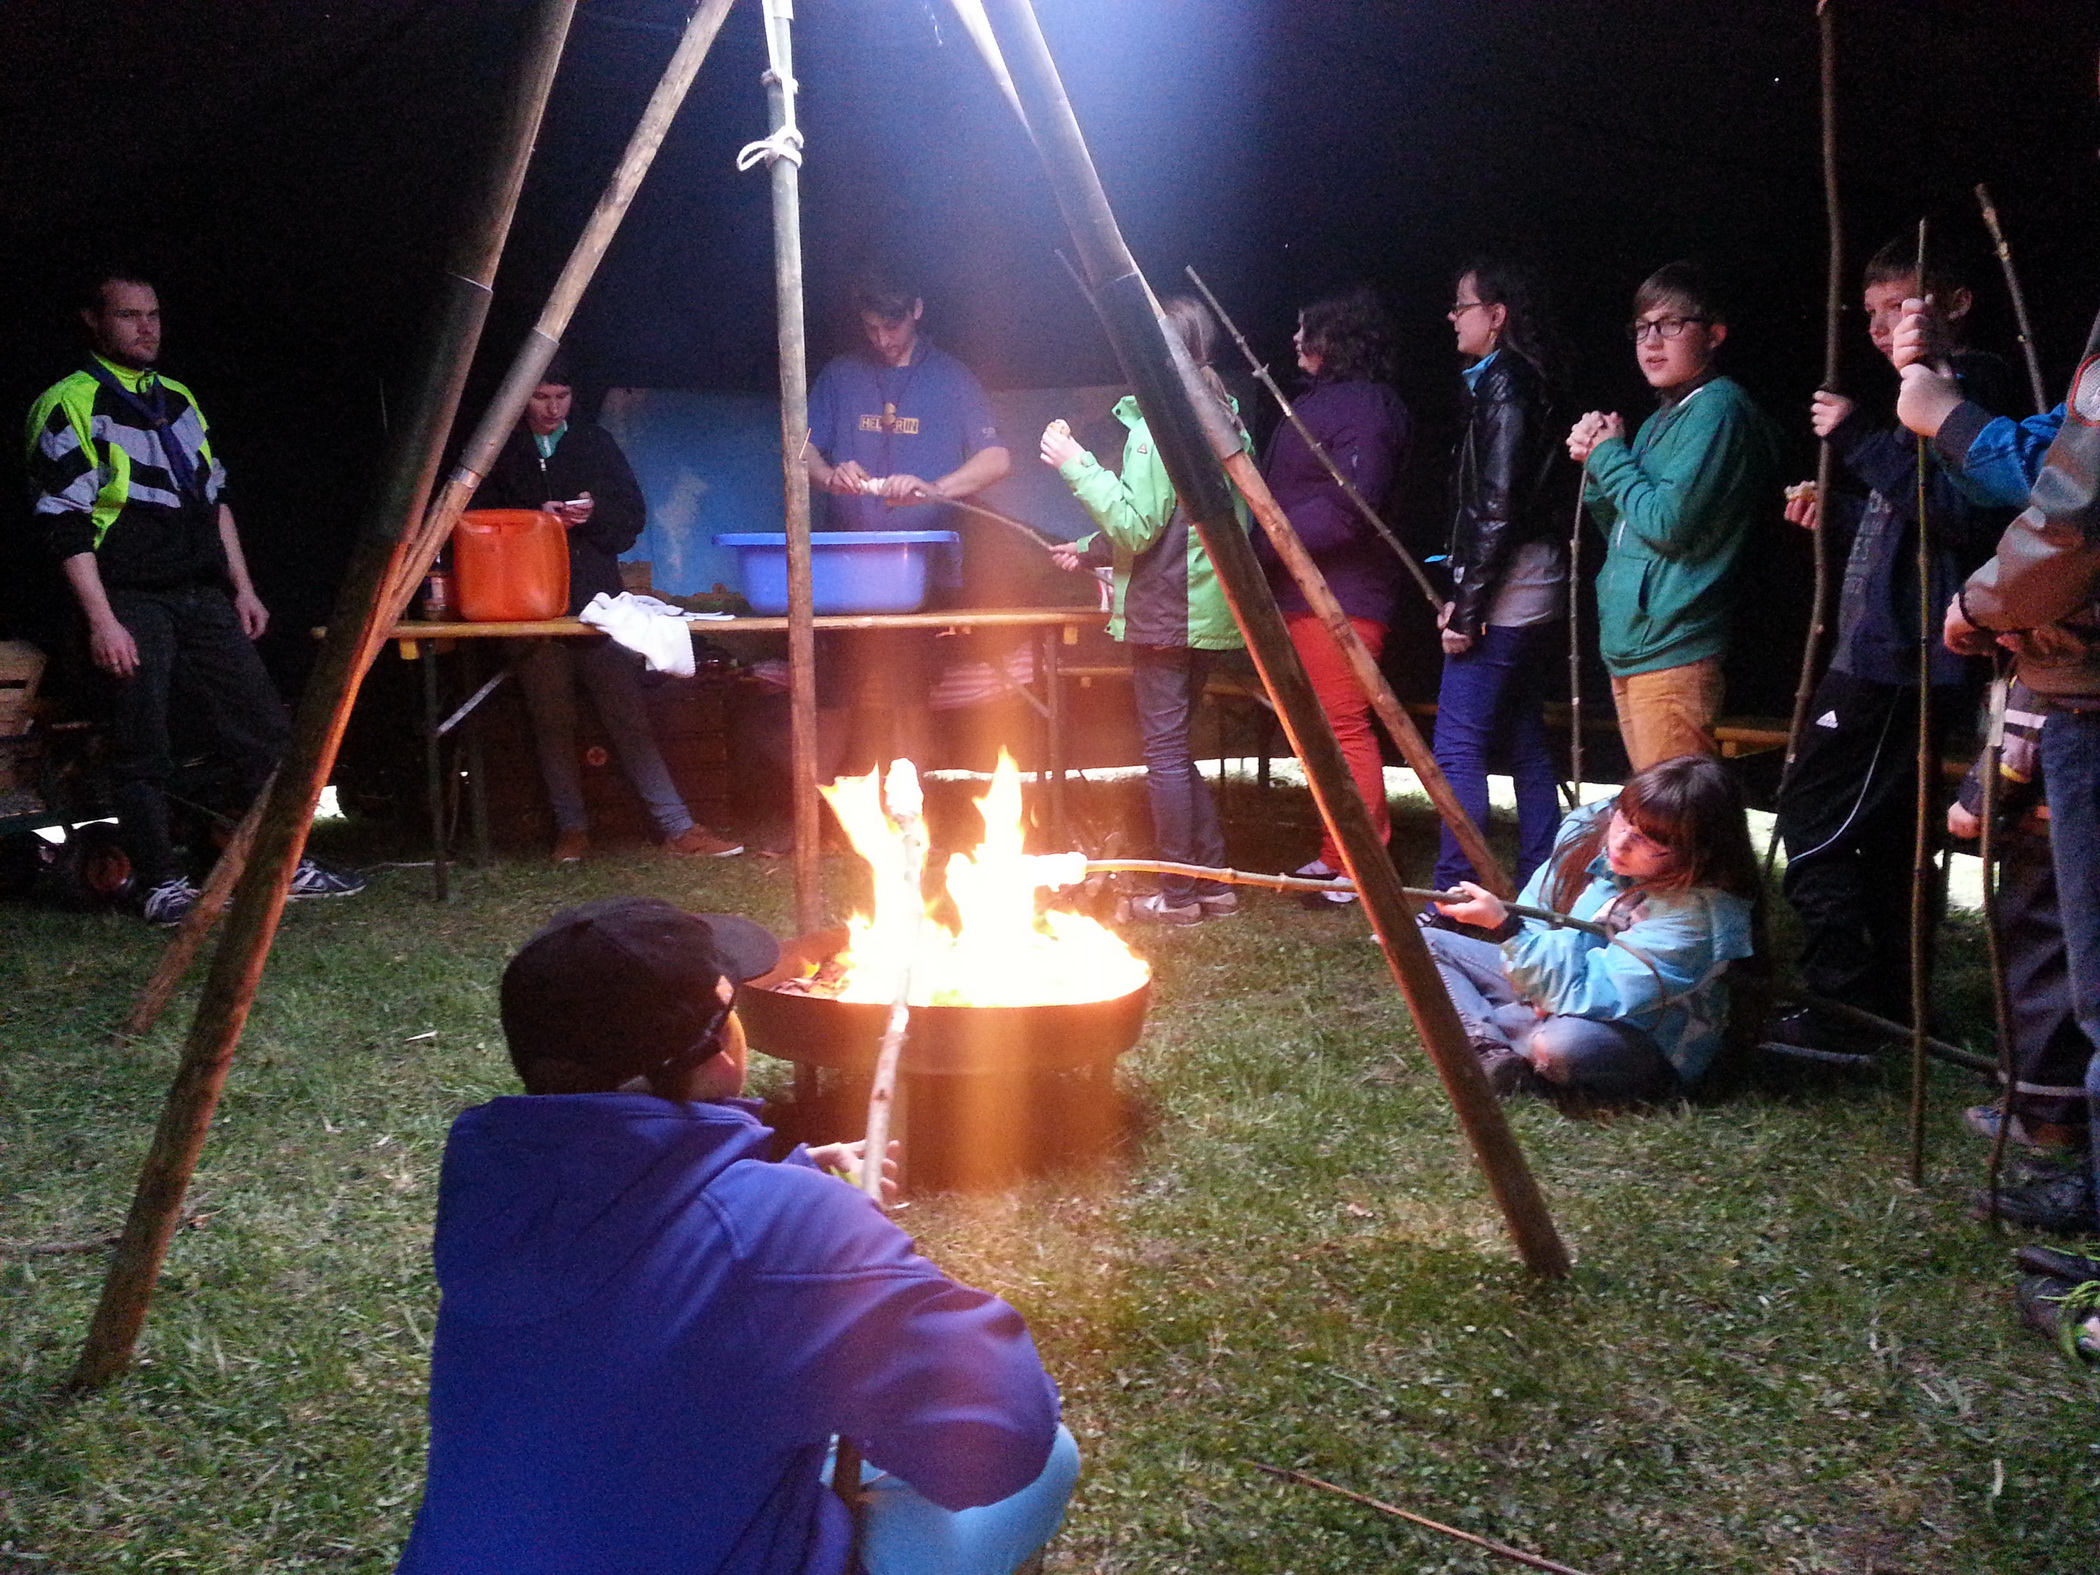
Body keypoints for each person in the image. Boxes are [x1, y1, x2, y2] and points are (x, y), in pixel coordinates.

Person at [396, 896, 1079, 1575]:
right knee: (1051, 1457)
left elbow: (656, 1274)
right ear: (721, 1054)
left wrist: (792, 1182)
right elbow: (1006, 1434)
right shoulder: (786, 1234)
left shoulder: (497, 1201)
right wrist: (824, 1229)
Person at [25, 269, 363, 924]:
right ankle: (159, 882)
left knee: (265, 726)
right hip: (129, 594)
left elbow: (214, 499)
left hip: (200, 591)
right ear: (94, 322)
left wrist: (243, 586)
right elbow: (63, 522)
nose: (146, 327)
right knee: (141, 739)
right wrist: (101, 619)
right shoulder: (69, 402)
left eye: (153, 314)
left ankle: (283, 864)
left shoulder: (177, 398)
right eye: (128, 315)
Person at [1766, 237, 2016, 1049]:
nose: (1880, 328)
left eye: (1899, 307)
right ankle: (1886, 1006)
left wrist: (1857, 438)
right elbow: (1914, 529)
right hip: (1879, 647)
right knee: (1883, 838)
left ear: (1954, 304)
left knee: (1814, 815)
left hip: (1904, 661)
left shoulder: (1970, 390)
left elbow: (1969, 515)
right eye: (1870, 313)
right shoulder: (1918, 395)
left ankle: (1841, 1002)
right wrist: (1835, 512)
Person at [1908, 295, 2100, 1238]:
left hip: (2081, 679)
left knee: (2078, 944)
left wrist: (1985, 603)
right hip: (2063, 668)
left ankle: (2067, 1130)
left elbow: (2071, 500)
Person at [476, 358, 740, 863]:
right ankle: (571, 829)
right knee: (550, 720)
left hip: (598, 603)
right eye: (541, 397)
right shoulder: (501, 447)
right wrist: (537, 518)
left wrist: (593, 514)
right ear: (521, 397)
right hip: (524, 605)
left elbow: (630, 517)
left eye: (561, 397)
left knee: (628, 714)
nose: (552, 408)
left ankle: (676, 825)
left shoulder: (594, 443)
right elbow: (476, 520)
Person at [1042, 296, 1251, 925]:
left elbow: (1137, 524)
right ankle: (1211, 883)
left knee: (1163, 750)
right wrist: (1086, 549)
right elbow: (1178, 521)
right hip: (1199, 606)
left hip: (1167, 611)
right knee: (1175, 747)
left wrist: (1073, 464)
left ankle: (1179, 895)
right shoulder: (1217, 416)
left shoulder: (1158, 424)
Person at [1426, 754, 1760, 1103]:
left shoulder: (1698, 918)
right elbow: (1538, 917)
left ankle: (1499, 1028)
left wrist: (1505, 928)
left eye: (1649, 840)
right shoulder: (1591, 830)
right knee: (1423, 944)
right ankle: (1491, 1051)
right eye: (1625, 819)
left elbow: (1591, 991)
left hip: (1634, 1032)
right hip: (1559, 983)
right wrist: (1532, 976)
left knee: (1560, 1045)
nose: (1620, 843)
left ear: (1696, 851)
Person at [1566, 262, 1780, 770]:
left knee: (1676, 830)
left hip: (1674, 651)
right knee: (1657, 819)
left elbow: (1668, 525)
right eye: (1641, 328)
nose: (1650, 341)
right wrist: (1599, 470)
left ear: (1714, 334)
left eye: (1669, 324)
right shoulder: (1663, 417)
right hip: (1635, 649)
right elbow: (1627, 532)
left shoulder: (1718, 409)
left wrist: (1609, 457)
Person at [805, 271, 1011, 773]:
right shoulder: (839, 374)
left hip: (920, 569)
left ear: (916, 310)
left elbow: (996, 459)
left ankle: (911, 815)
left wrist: (935, 488)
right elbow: (800, 449)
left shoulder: (952, 377)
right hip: (845, 567)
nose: (883, 340)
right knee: (831, 690)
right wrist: (830, 475)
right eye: (871, 328)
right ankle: (815, 815)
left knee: (909, 691)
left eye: (891, 327)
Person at [1251, 288, 1411, 910]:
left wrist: (1270, 538)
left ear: (1335, 339)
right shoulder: (1321, 402)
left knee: (1343, 725)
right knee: (1319, 727)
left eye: (1305, 330)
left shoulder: (1367, 407)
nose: (1295, 342)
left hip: (1342, 595)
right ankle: (1335, 850)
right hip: (1301, 591)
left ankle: (1362, 861)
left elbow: (1353, 506)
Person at [1429, 260, 1569, 904]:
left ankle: (1457, 897)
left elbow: (1498, 505)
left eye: (1463, 305)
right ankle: (1542, 887)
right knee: (1523, 741)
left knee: (1456, 745)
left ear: (1497, 314)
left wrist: (1465, 608)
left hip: (1509, 587)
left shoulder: (1507, 384)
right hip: (1532, 581)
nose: (1454, 317)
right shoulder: (1508, 381)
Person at [1946, 679, 2088, 1155]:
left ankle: (2047, 1114)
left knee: (2043, 962)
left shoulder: (2052, 649)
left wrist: (1976, 799)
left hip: (2053, 831)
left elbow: (2020, 736)